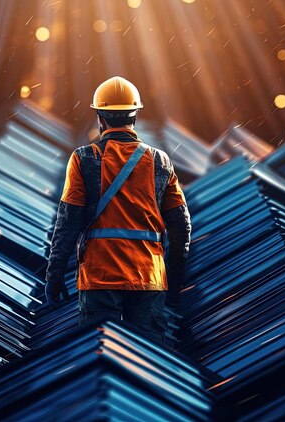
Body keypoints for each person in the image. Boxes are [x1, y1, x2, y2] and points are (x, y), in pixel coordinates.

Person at [44, 76, 191, 343]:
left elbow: (68, 223)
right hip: (148, 278)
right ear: (135, 116)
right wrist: (175, 279)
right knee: (148, 362)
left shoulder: (83, 158)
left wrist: (54, 276)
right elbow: (181, 227)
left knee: (101, 358)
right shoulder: (159, 161)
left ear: (100, 117)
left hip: (100, 278)